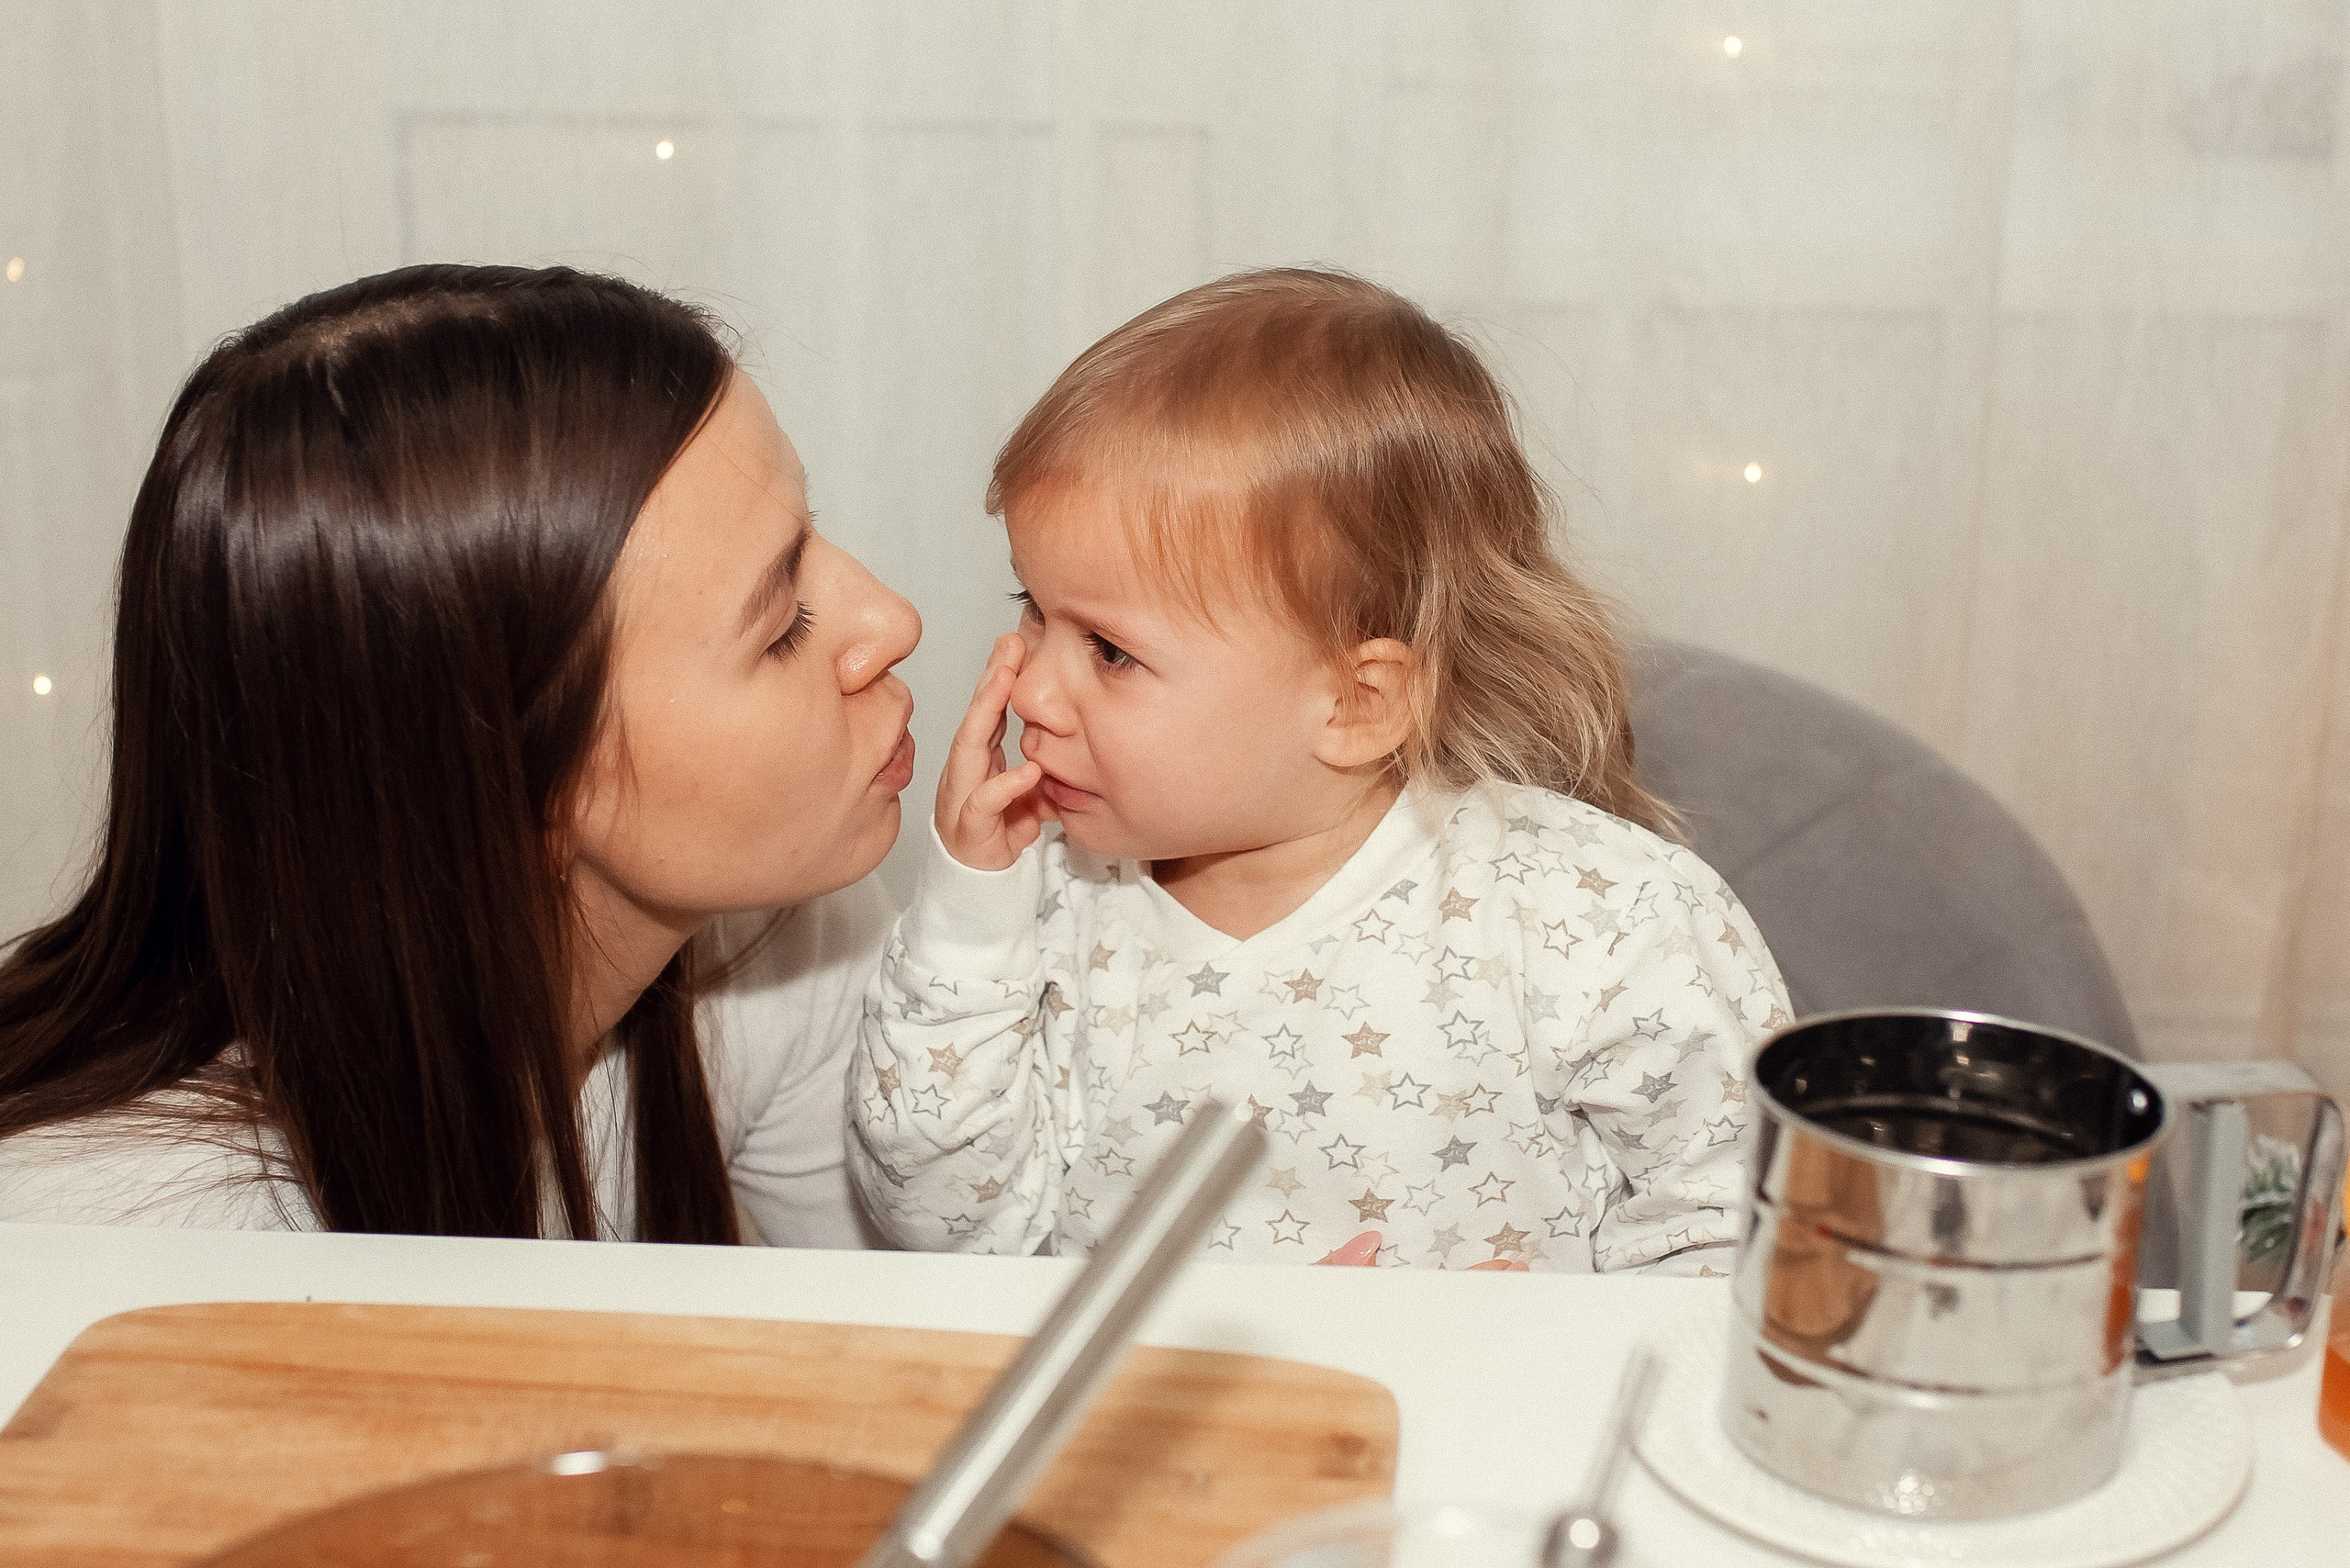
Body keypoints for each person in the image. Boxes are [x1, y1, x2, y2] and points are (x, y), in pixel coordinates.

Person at [848, 269, 1790, 1273]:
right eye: (1032, 608)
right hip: (1145, 1429)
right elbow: (941, 1224)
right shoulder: (1038, 914)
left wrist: (1543, 1346)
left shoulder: (1599, 918)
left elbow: (1744, 1226)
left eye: (1110, 651)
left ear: (1356, 704)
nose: (1030, 687)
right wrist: (964, 921)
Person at [0, 264, 922, 1244]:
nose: (892, 619)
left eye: (810, 532)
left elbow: (917, 1368)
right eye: (782, 623)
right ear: (516, 782)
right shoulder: (130, 1248)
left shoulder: (776, 928)